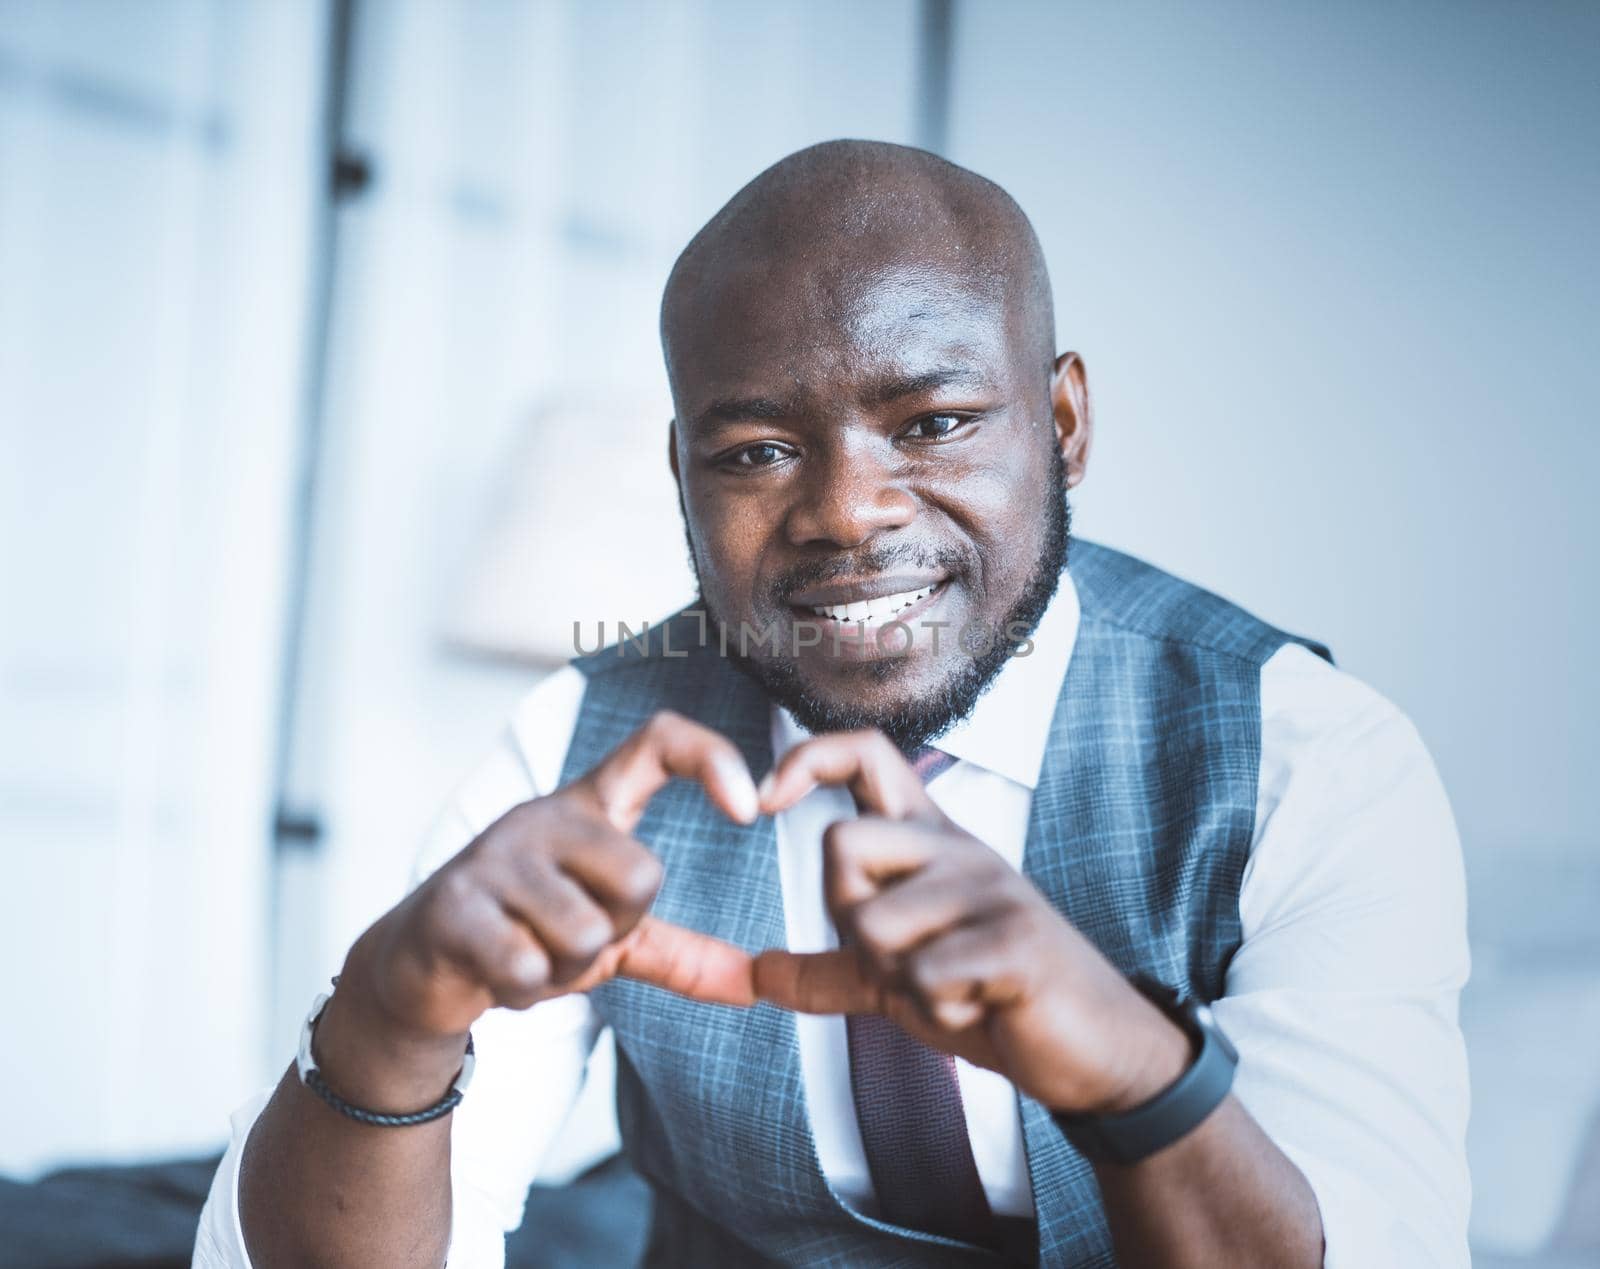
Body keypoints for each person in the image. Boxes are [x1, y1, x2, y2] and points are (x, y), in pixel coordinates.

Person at [195, 141, 1470, 1267]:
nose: (848, 512)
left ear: (1065, 423)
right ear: (683, 474)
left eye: (935, 422)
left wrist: (1131, 1067)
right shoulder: (576, 748)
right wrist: (383, 1017)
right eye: (755, 452)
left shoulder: (1307, 760)